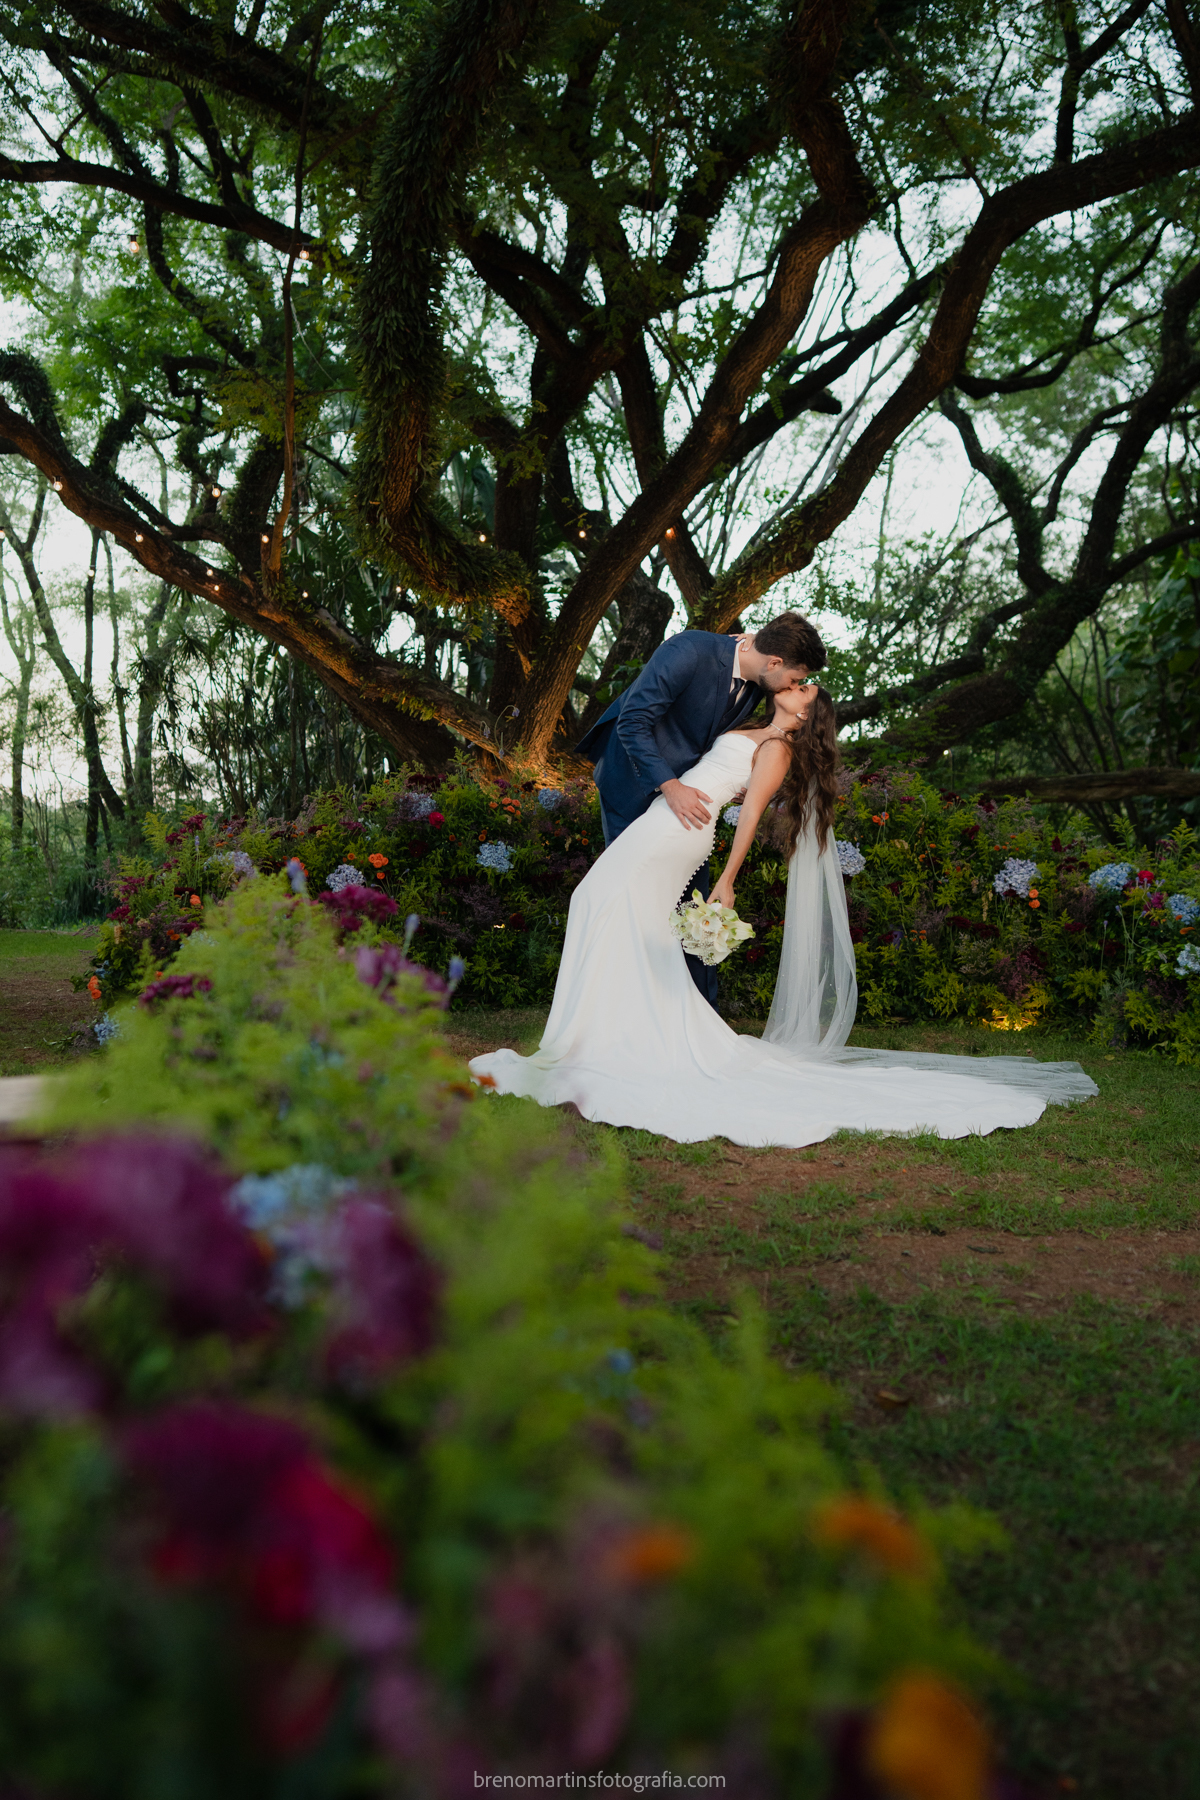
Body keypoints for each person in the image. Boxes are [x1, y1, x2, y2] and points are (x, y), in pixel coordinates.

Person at [470, 674, 1097, 1149]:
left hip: (683, 828)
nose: (796, 685)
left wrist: (727, 879)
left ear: (806, 713)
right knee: (614, 914)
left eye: (805, 688)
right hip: (667, 815)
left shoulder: (777, 748)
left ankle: (604, 1038)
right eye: (798, 680)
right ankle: (603, 1034)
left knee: (594, 900)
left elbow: (747, 814)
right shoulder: (749, 723)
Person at [576, 611, 825, 1007]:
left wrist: (734, 782)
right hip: (633, 782)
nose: (793, 686)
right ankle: (621, 1005)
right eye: (795, 679)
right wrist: (670, 785)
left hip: (690, 813)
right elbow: (633, 721)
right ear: (775, 663)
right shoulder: (690, 650)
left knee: (692, 908)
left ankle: (694, 1013)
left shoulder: (763, 683)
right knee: (624, 900)